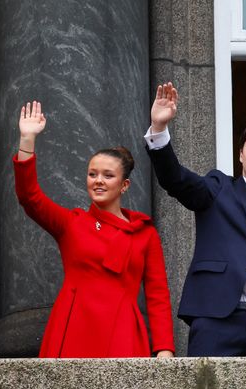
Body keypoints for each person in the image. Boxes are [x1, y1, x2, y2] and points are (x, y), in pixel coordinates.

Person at [145, 83, 246, 357]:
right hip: (216, 321)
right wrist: (160, 130)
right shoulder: (218, 188)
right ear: (240, 155)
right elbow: (176, 180)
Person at [13, 101, 174, 358]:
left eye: (108, 175)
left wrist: (164, 349)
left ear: (124, 185)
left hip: (123, 332)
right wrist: (27, 139)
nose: (98, 181)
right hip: (74, 328)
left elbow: (157, 295)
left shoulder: (144, 233)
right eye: (92, 174)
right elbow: (29, 198)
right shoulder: (72, 223)